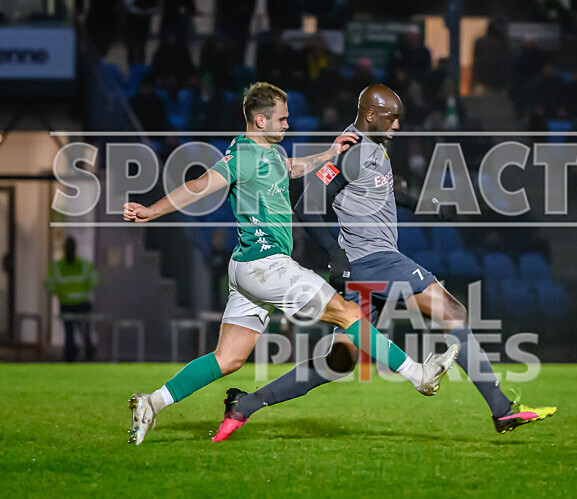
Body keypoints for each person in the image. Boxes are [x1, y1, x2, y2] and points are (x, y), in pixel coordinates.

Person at [123, 82, 457, 445]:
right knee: (348, 313)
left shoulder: (268, 153)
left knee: (228, 358)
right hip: (268, 266)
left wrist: (329, 153)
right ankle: (418, 375)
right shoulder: (242, 157)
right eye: (281, 119)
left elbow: (294, 168)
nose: (287, 124)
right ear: (260, 119)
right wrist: (150, 210)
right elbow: (200, 186)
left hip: (246, 268)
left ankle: (151, 403)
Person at [226, 84, 557, 435]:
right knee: (453, 312)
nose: (397, 125)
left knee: (338, 361)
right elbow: (308, 204)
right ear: (370, 114)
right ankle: (501, 409)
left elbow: (381, 187)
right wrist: (334, 253)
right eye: (392, 118)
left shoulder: (373, 148)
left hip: (368, 266)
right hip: (375, 259)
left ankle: (244, 405)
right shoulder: (350, 149)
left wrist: (420, 205)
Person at [44, 237, 99, 362]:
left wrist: (61, 291)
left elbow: (49, 285)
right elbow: (95, 280)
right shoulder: (84, 265)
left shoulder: (58, 267)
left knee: (71, 332)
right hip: (81, 304)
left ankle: (71, 357)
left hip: (68, 304)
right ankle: (86, 354)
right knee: (82, 331)